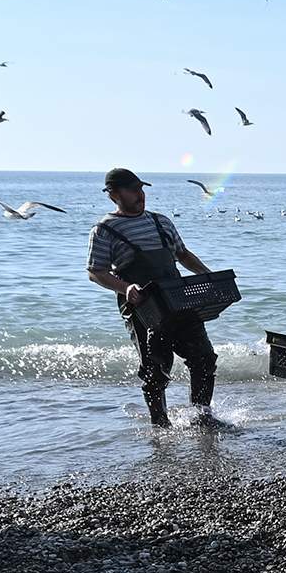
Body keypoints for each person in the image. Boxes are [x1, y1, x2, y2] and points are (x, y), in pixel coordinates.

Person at [86, 167, 219, 428]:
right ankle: (160, 425)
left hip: (179, 300)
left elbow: (183, 254)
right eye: (133, 189)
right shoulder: (104, 230)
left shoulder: (161, 221)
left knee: (204, 358)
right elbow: (95, 272)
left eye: (141, 188)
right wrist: (126, 288)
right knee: (155, 369)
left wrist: (207, 274)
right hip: (142, 307)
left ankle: (202, 417)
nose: (140, 194)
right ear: (113, 194)